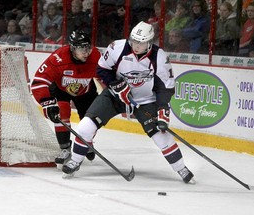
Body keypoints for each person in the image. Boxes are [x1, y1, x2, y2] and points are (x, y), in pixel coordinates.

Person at [61, 21, 195, 184]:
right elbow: (102, 69)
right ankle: (75, 160)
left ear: (149, 42)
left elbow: (164, 88)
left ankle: (181, 167)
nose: (135, 45)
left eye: (140, 42)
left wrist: (162, 110)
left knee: (162, 136)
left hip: (145, 101)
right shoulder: (117, 48)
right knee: (85, 127)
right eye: (133, 40)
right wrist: (115, 84)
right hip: (113, 96)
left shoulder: (160, 58)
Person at [31, 30, 101, 168]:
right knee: (61, 113)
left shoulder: (96, 56)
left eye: (87, 48)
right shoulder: (58, 58)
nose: (86, 53)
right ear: (72, 48)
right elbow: (39, 81)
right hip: (60, 89)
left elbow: (107, 74)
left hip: (86, 91)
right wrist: (47, 103)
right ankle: (65, 148)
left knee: (91, 119)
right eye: (81, 49)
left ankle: (87, 140)